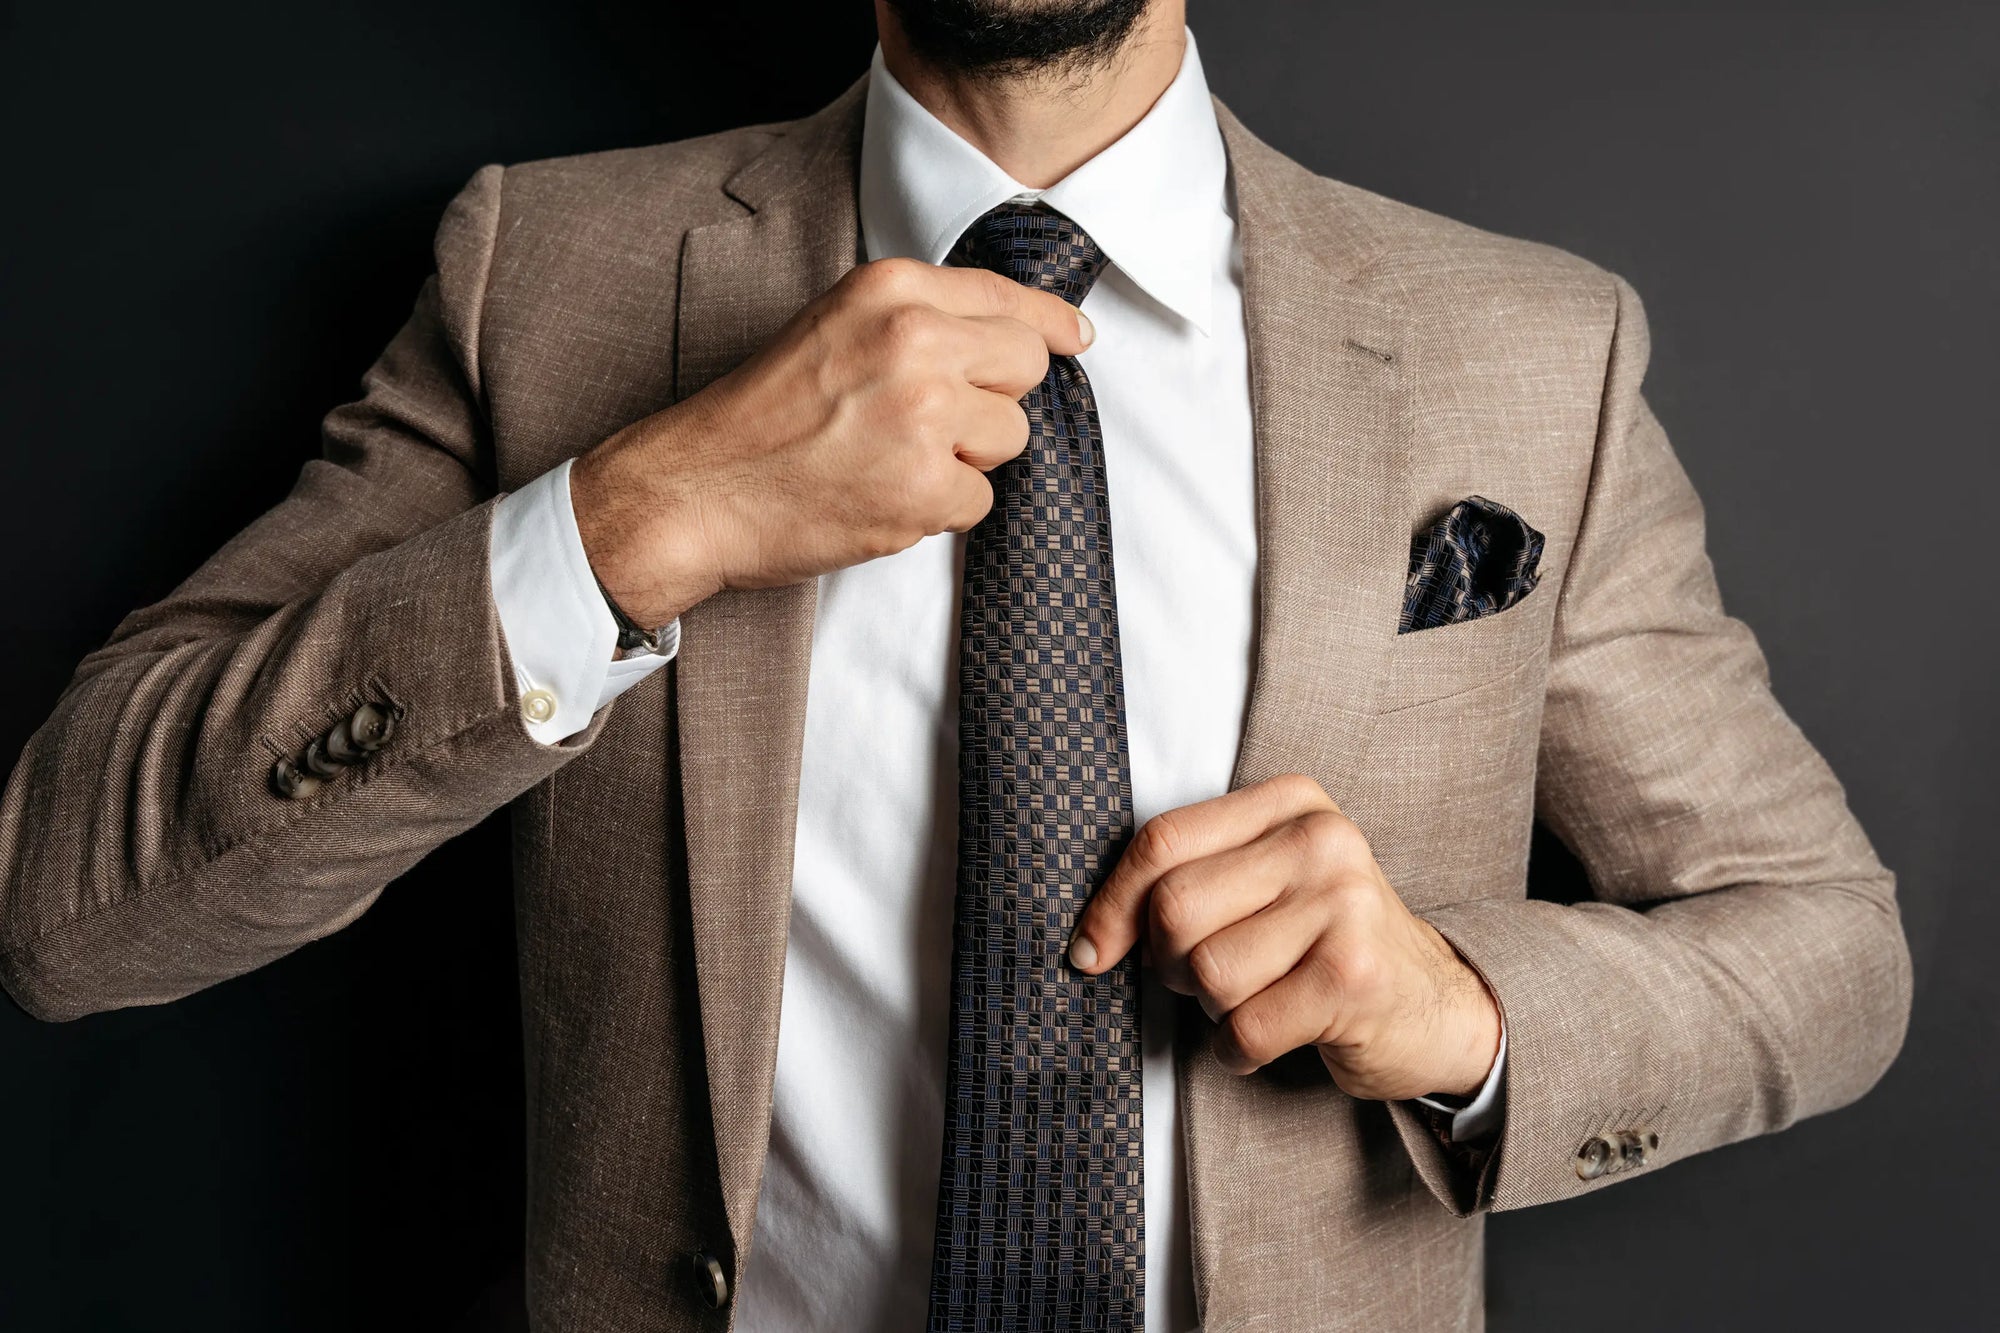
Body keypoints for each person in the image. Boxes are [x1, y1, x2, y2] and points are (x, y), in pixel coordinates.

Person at [0, 1, 1912, 1329]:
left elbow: (1828, 950)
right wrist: (630, 515)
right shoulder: (544, 276)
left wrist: (1465, 1012)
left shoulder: (1531, 348)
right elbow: (70, 904)